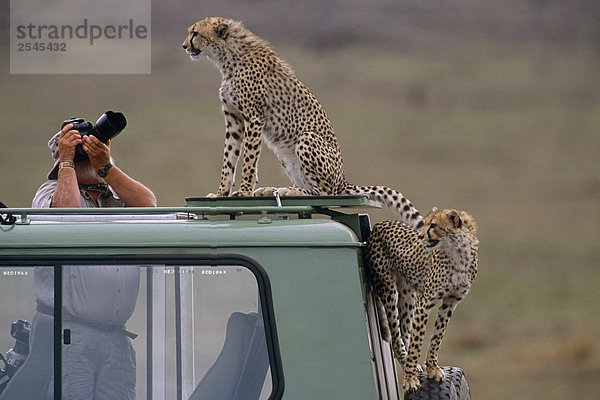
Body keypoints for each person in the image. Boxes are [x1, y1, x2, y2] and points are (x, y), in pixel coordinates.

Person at [28, 122, 156, 399]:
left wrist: (106, 166)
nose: (87, 159)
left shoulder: (118, 199)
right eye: (80, 155)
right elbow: (68, 217)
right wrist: (67, 162)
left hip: (116, 335)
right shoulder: (50, 193)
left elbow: (150, 206)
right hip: (71, 334)